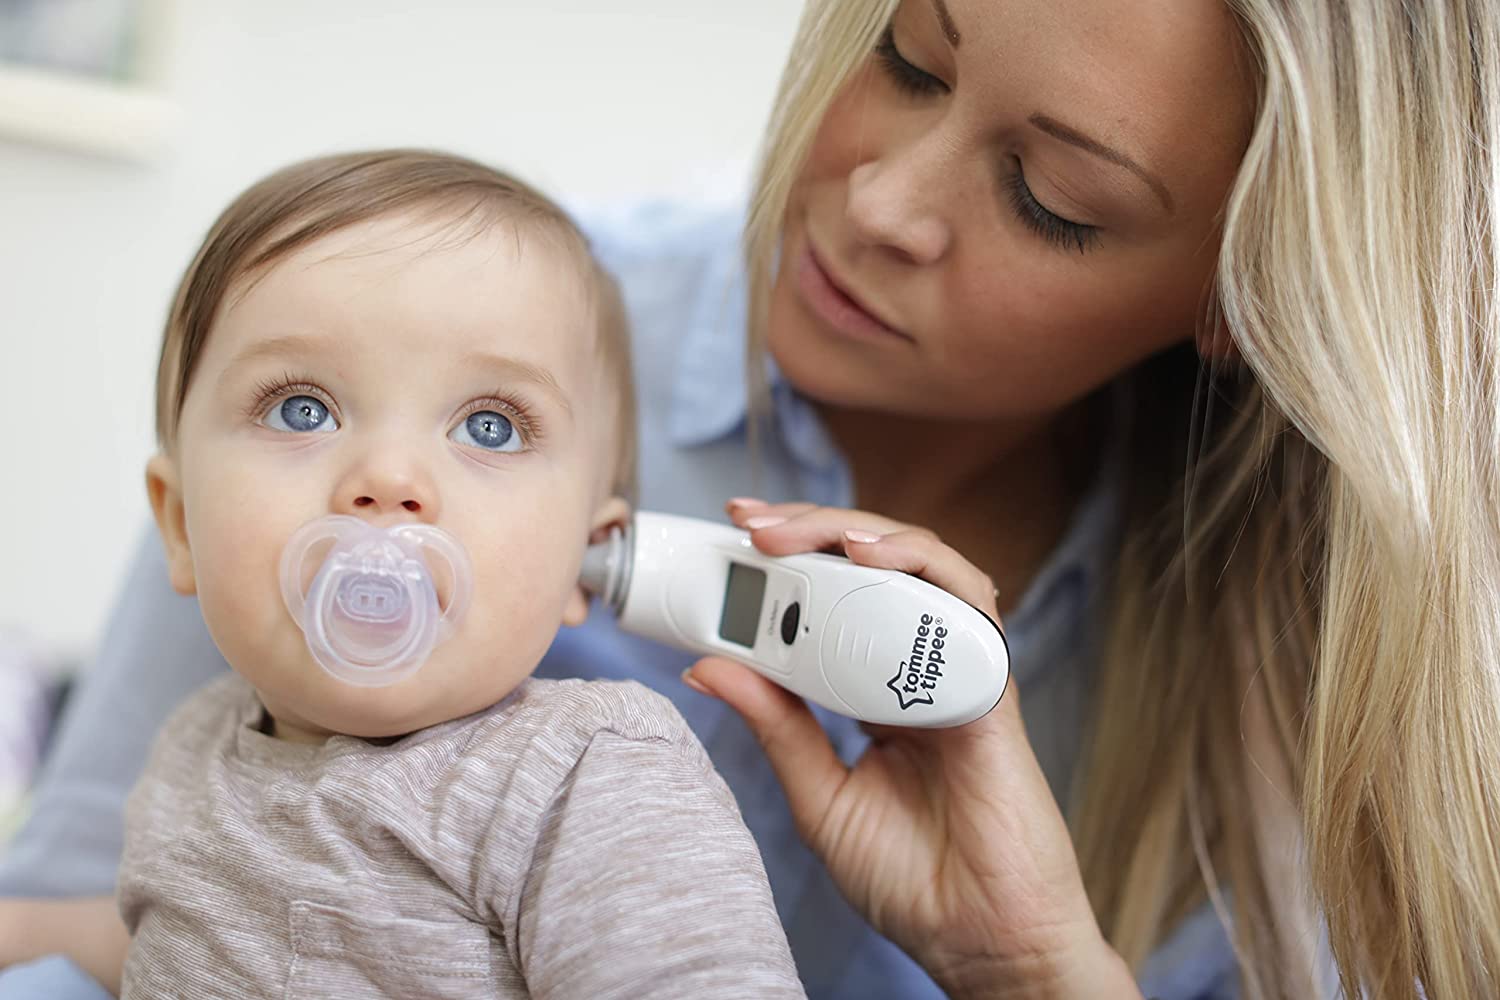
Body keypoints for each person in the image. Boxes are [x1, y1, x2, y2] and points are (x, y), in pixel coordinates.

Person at [3, 0, 1497, 997]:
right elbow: (103, 921)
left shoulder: (1335, 680)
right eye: (909, 55)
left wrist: (1040, 972)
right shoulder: (426, 317)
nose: (881, 203)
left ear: (1246, 293)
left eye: (1052, 200)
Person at [6, 149, 806, 998]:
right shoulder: (193, 747)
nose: (388, 478)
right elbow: (170, 945)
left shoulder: (585, 780)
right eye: (302, 410)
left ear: (586, 555)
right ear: (179, 527)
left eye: (491, 427)